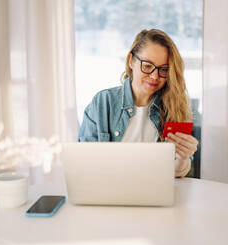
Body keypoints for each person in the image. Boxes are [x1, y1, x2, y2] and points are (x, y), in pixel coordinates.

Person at [78, 29, 198, 177]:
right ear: (131, 61)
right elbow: (84, 162)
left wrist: (183, 158)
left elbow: (177, 174)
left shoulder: (174, 106)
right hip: (109, 192)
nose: (154, 76)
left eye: (164, 69)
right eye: (147, 66)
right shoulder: (103, 102)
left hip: (154, 193)